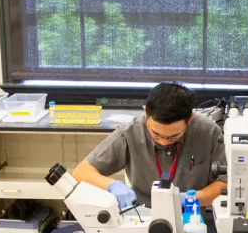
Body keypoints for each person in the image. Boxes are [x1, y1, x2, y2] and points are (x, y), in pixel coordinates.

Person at [72, 81, 227, 207]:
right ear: (146, 112)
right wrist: (112, 185)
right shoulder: (130, 132)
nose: (163, 141)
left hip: (194, 215)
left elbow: (224, 184)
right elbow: (81, 172)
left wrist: (188, 199)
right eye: (156, 134)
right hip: (145, 215)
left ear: (190, 119)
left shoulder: (209, 132)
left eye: (173, 136)